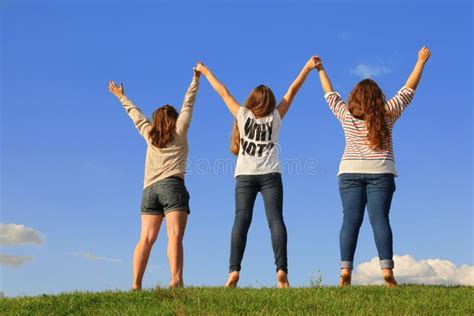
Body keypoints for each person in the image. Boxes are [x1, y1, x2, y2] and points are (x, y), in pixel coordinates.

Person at [195, 57, 319, 288]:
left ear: (252, 101)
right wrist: (307, 68)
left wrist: (205, 70)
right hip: (271, 174)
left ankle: (233, 272)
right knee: (275, 220)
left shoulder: (242, 115)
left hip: (244, 176)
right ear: (271, 102)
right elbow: (293, 90)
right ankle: (281, 270)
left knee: (241, 220)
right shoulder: (276, 117)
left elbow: (223, 92)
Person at [314, 47, 431, 287]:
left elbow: (330, 94)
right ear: (379, 98)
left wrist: (321, 69)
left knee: (350, 221)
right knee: (380, 220)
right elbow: (408, 90)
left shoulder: (346, 115)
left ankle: (345, 270)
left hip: (349, 172)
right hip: (381, 173)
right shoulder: (388, 114)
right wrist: (420, 62)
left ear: (354, 98)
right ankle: (387, 270)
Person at [107, 68, 200, 289]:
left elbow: (136, 116)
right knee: (174, 236)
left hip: (149, 190)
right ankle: (176, 280)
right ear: (174, 119)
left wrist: (121, 96)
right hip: (172, 186)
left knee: (146, 239)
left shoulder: (150, 134)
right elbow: (189, 103)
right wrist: (195, 79)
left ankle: (136, 284)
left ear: (156, 120)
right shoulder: (180, 129)